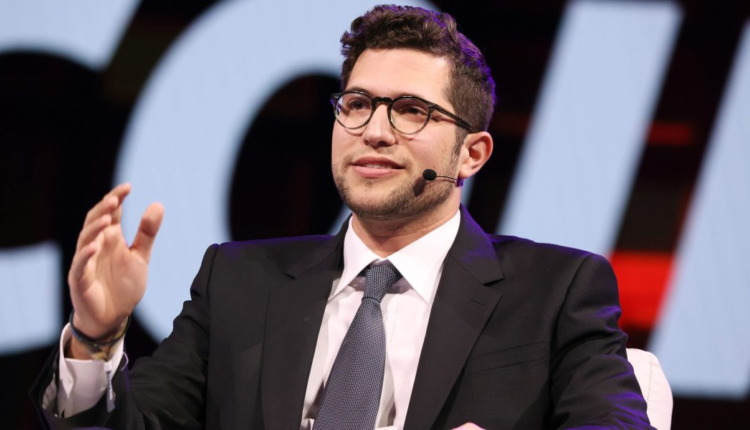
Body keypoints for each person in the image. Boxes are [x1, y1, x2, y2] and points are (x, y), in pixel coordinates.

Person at [33, 4, 652, 429]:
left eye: (410, 110)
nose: (374, 131)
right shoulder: (240, 282)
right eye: (357, 104)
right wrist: (95, 337)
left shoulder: (554, 292)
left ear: (472, 153)